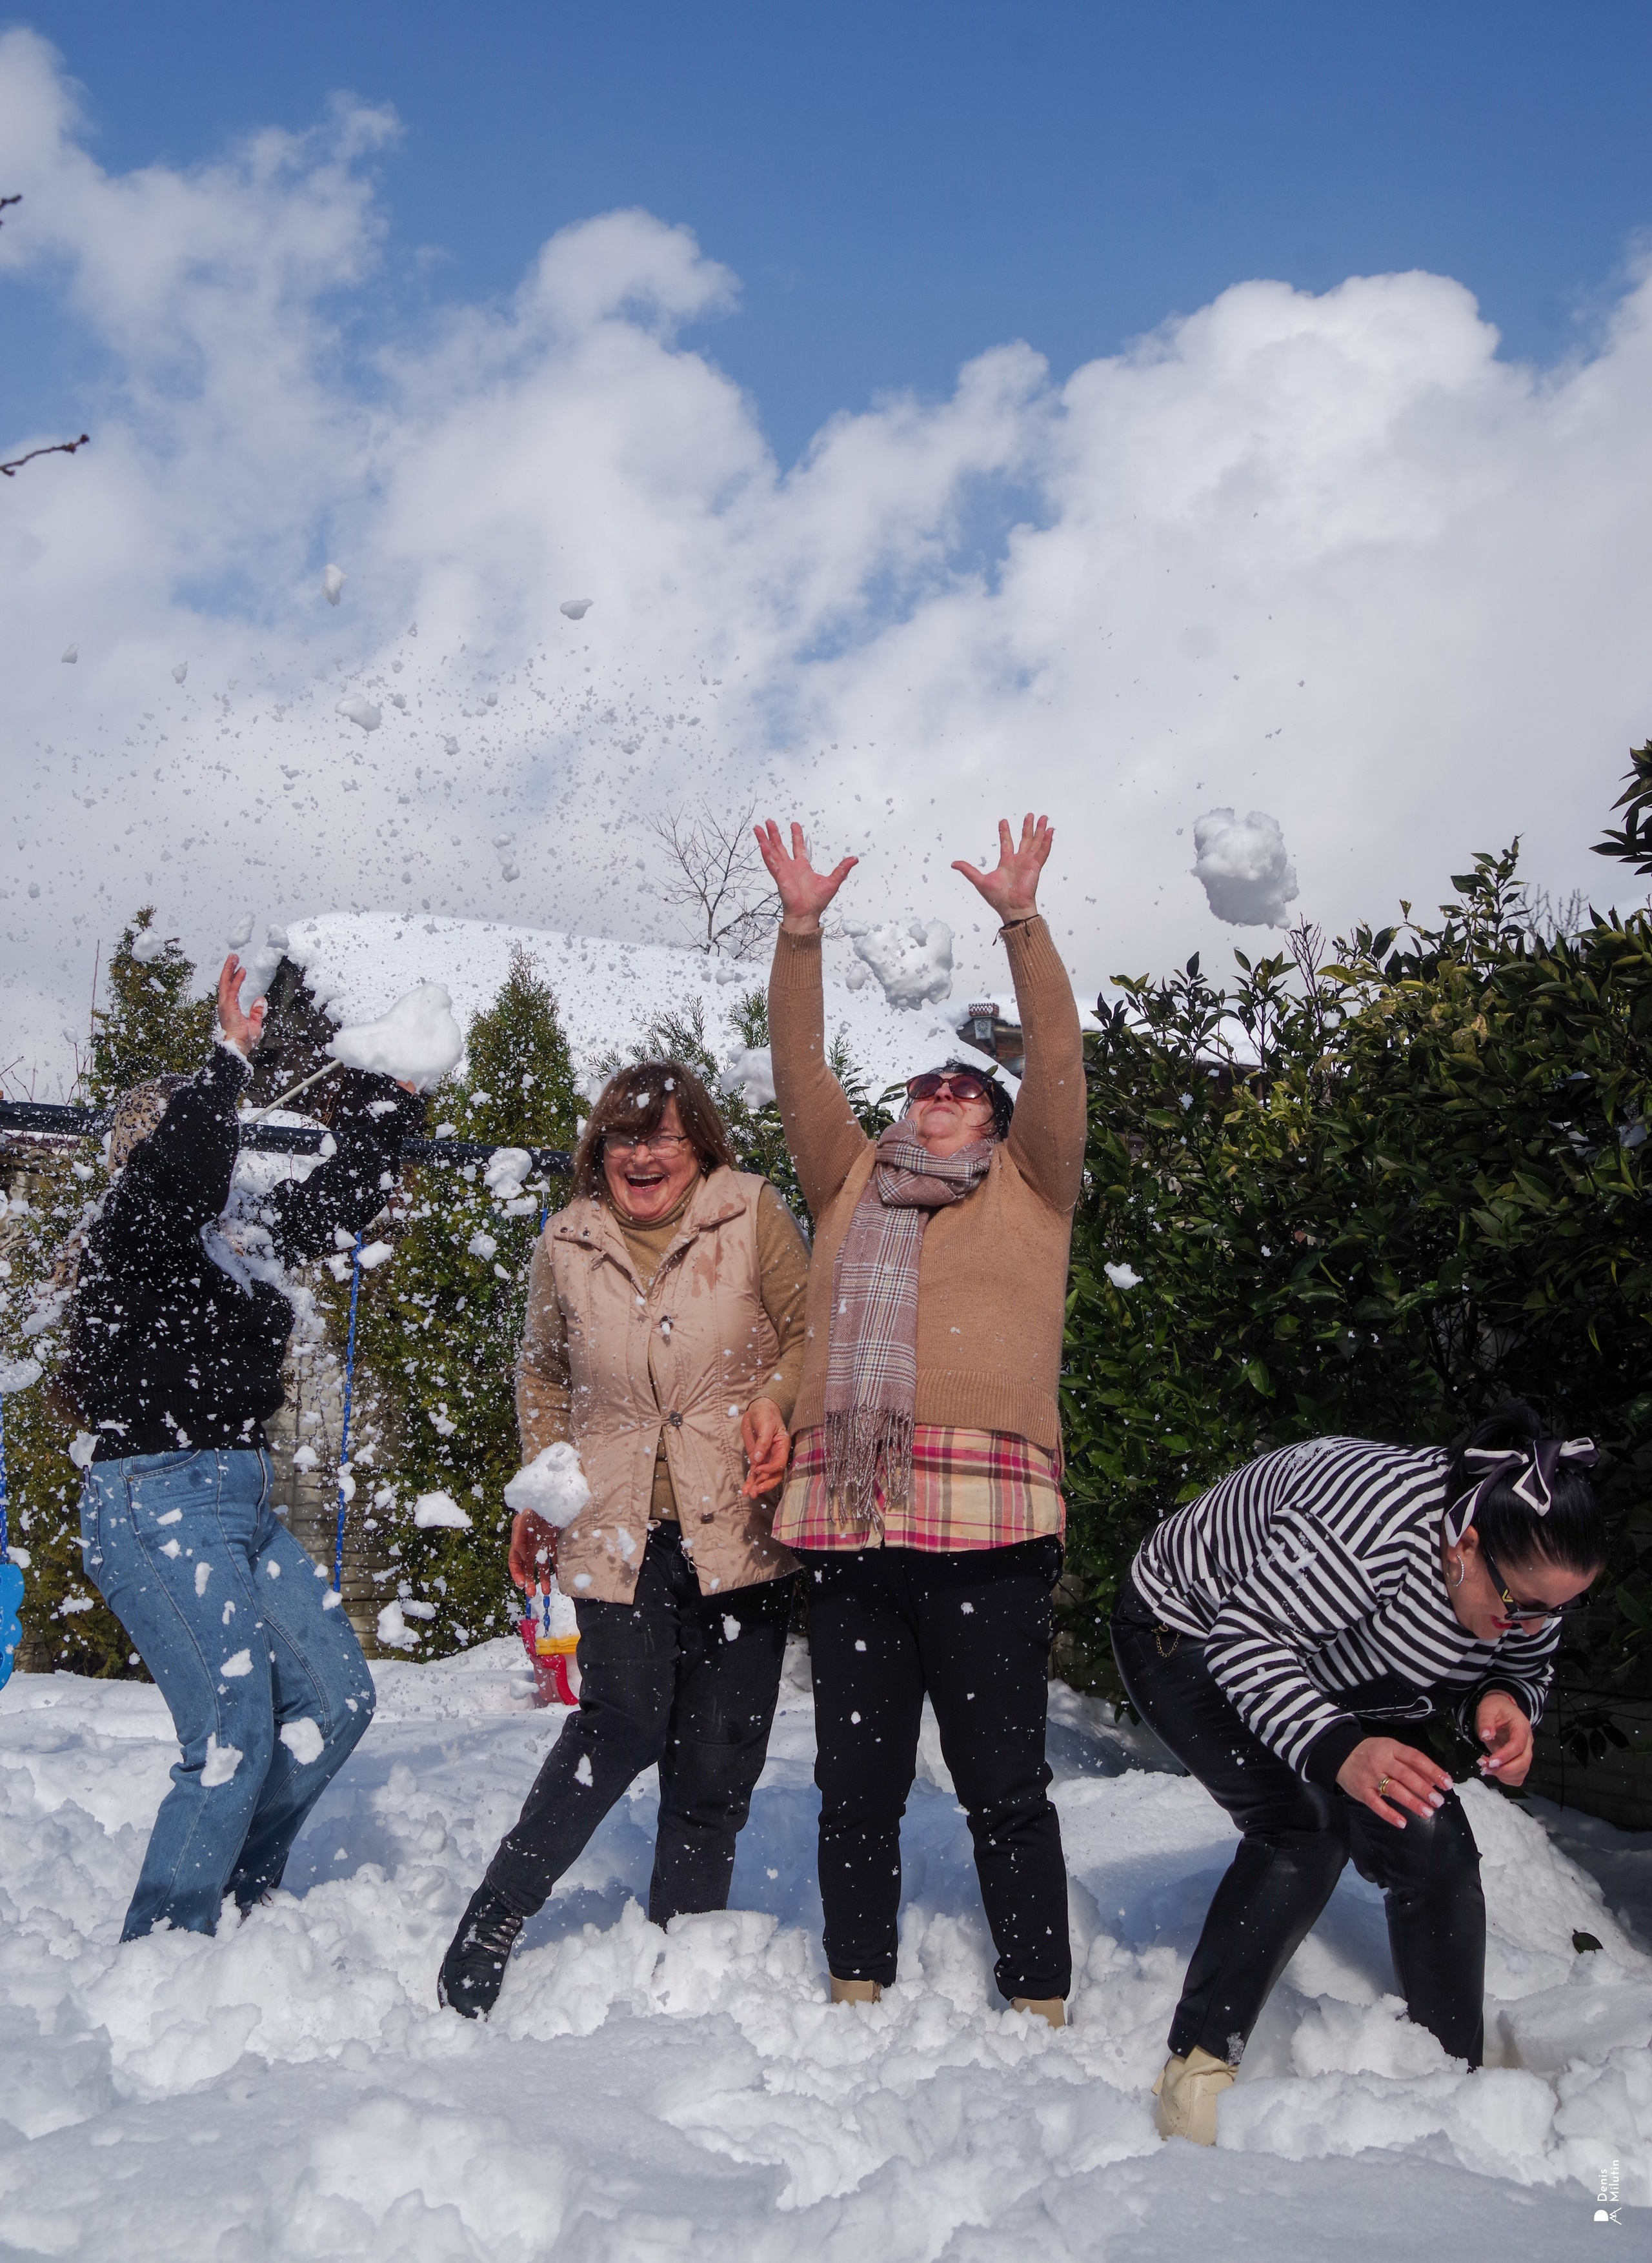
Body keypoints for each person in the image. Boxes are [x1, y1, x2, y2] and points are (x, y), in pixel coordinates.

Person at [748, 812, 1086, 2026]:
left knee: (1004, 1785)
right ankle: (857, 1984)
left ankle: (1039, 1997)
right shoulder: (849, 1184)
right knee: (855, 1787)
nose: (937, 1098)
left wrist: (1021, 920)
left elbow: (1055, 1058)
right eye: (923, 1085)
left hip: (989, 1532)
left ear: (992, 1122)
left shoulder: (1033, 1193)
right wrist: (801, 930)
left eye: (961, 1089)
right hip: (854, 1528)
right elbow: (799, 1069)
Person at [1111, 1400, 1607, 2143]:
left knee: (1433, 1842)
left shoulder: (1525, 1573)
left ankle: (1450, 2075)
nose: (1534, 1624)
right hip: (1190, 1633)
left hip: (1339, 1657)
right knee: (1301, 1826)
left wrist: (1506, 1697)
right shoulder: (1370, 1526)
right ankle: (1199, 2062)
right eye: (1519, 1606)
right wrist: (1340, 1750)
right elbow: (1248, 1644)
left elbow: (1525, 1662)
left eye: (1557, 1610)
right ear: (1462, 1546)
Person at [439, 1058, 812, 2018]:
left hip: (738, 1519)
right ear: (597, 1150)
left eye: (663, 1138)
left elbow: (815, 1333)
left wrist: (775, 1400)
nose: (641, 1156)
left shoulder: (751, 1212)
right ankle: (497, 1912)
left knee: (718, 1756)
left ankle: (682, 1952)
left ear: (700, 1149)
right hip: (617, 1526)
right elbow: (543, 1373)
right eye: (622, 1137)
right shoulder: (566, 1241)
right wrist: (544, 1486)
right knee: (621, 1723)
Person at [61, 955, 425, 1940]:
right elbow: (177, 1169)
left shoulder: (241, 1234)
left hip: (240, 1496)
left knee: (337, 1703)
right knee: (231, 1728)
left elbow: (340, 1198)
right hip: (152, 1498)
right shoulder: (129, 1233)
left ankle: (234, 1899)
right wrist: (227, 1058)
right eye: (195, 1143)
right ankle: (168, 1940)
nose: (223, 1166)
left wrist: (390, 1098)